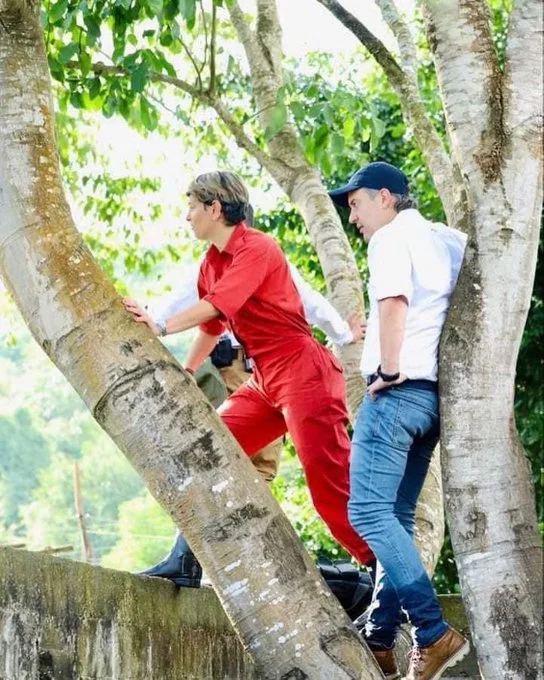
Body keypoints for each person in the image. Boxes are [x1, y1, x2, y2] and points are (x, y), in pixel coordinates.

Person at [123, 171, 375, 611]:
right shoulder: (211, 262)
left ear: (215, 208)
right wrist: (186, 367)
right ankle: (186, 558)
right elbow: (212, 325)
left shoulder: (258, 247)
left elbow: (219, 305)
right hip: (265, 380)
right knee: (205, 449)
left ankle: (381, 572)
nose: (186, 217)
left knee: (327, 483)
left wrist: (159, 325)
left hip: (303, 370)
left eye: (191, 207)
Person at [329, 161, 469, 680]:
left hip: (396, 393)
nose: (353, 212)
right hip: (432, 400)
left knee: (367, 513)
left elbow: (393, 304)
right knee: (397, 518)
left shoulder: (388, 240)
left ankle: (431, 631)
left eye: (357, 200)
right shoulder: (445, 239)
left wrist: (386, 368)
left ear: (386, 197)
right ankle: (381, 639)